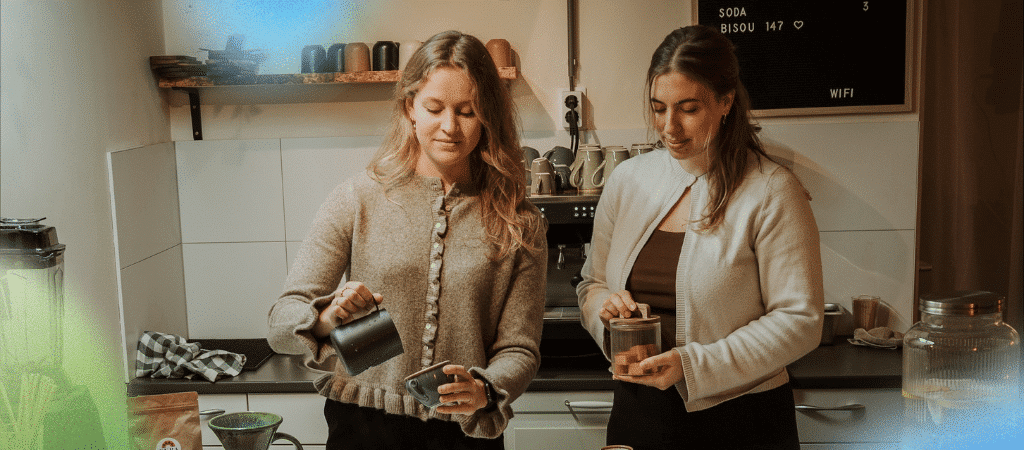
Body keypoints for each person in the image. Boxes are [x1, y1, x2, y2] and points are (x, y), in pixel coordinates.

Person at [268, 30, 547, 450]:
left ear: (489, 115)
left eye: (468, 112)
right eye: (435, 108)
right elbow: (281, 323)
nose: (450, 127)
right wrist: (326, 320)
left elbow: (519, 349)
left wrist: (484, 389)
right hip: (362, 430)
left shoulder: (518, 220)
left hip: (461, 434)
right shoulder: (358, 197)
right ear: (410, 107)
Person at [576, 25, 824, 450]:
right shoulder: (627, 180)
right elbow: (591, 284)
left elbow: (799, 321)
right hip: (641, 413)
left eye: (688, 108)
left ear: (726, 101)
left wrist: (692, 365)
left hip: (741, 420)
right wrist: (606, 309)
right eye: (658, 108)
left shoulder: (770, 190)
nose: (669, 126)